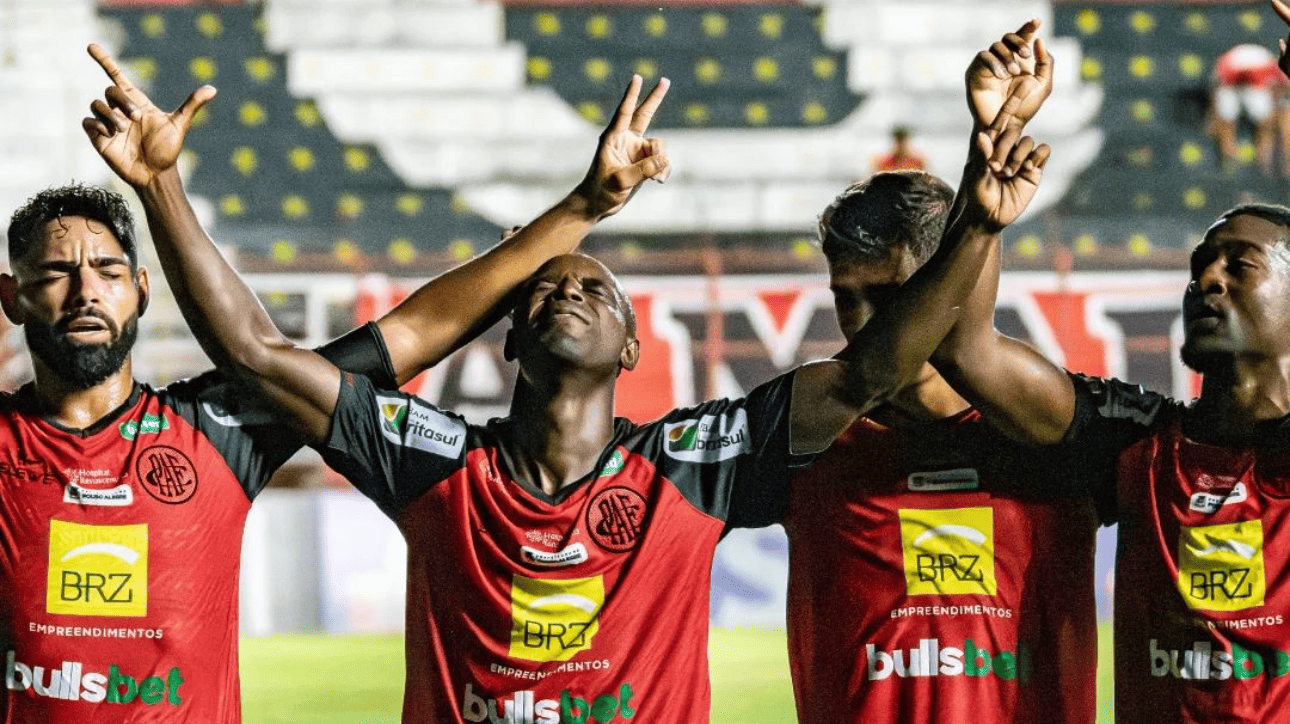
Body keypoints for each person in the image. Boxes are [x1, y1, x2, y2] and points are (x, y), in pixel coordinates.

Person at [80, 32, 1052, 724]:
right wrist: (160, 184)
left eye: (597, 284)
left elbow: (874, 366)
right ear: (507, 335)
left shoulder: (694, 463)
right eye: (546, 286)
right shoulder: (433, 460)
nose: (573, 288)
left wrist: (979, 208)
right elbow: (255, 353)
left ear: (633, 345)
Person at [0, 52, 669, 724]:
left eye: (110, 271)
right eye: (57, 271)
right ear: (14, 297)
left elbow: (409, 335)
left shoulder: (217, 433)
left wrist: (588, 204)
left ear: (142, 292)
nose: (87, 291)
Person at [921, 2, 1290, 721]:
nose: (1206, 281)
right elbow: (963, 349)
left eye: (1239, 264)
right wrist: (987, 177)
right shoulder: (1135, 444)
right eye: (1198, 267)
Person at [780, 23, 1097, 724]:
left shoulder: (1059, 436)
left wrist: (1000, 135)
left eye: (890, 296)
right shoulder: (805, 440)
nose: (862, 322)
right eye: (845, 295)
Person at [1209, 42, 1284, 175]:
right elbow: (1218, 85)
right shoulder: (1230, 65)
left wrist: (1274, 100)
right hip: (1231, 85)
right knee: (1226, 121)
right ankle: (1228, 159)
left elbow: (1281, 84)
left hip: (1255, 84)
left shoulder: (1266, 66)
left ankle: (1263, 159)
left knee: (1266, 120)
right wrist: (1213, 112)